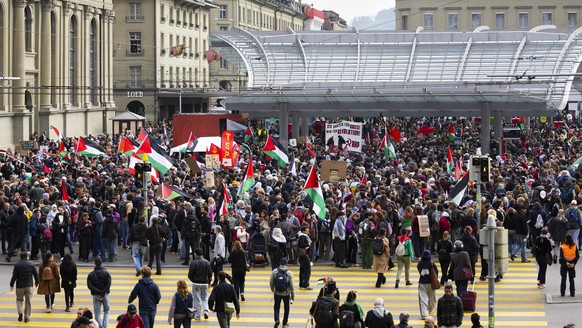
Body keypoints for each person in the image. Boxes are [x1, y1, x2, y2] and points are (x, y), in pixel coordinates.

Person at [9, 251, 39, 323]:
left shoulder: (17, 265)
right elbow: (36, 275)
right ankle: (27, 317)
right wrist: (37, 282)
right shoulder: (31, 264)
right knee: (28, 301)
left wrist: (11, 284)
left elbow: (14, 276)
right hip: (29, 286)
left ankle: (20, 312)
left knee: (19, 300)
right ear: (27, 256)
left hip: (19, 286)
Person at [188, 248, 212, 321]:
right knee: (205, 298)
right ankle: (205, 310)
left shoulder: (194, 263)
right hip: (205, 283)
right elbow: (210, 274)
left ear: (196, 254)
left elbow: (190, 275)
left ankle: (198, 315)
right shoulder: (207, 262)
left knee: (196, 299)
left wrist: (193, 280)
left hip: (196, 283)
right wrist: (208, 281)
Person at [87, 256, 112, 328]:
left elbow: (90, 286)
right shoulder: (106, 273)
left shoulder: (91, 274)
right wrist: (103, 292)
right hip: (105, 294)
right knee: (107, 310)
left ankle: (99, 326)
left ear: (94, 264)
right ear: (101, 264)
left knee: (97, 312)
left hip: (95, 295)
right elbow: (108, 284)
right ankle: (104, 326)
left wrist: (98, 292)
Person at [270, 258, 295, 328]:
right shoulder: (289, 272)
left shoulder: (275, 271)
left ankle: (277, 320)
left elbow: (271, 282)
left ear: (279, 264)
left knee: (276, 307)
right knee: (286, 308)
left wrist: (273, 289)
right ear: (286, 264)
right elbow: (292, 285)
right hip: (286, 294)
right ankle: (284, 323)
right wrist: (293, 295)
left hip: (277, 293)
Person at [418, 249, 438, 319]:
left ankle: (424, 314)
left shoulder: (419, 264)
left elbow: (419, 271)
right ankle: (430, 309)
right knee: (432, 298)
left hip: (422, 283)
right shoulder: (431, 263)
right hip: (431, 283)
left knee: (423, 299)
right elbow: (436, 273)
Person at [297, 226, 313, 290]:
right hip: (304, 255)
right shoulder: (303, 237)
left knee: (302, 269)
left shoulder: (300, 236)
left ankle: (301, 284)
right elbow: (301, 244)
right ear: (303, 231)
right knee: (307, 269)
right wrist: (308, 244)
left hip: (302, 255)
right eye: (307, 230)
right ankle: (306, 284)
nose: (308, 232)